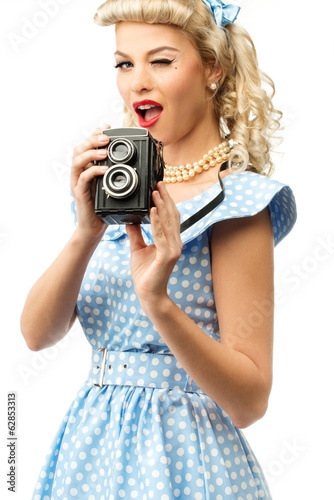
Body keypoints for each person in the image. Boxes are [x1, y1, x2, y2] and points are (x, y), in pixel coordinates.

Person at [21, 0, 297, 498]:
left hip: (185, 459)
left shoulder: (238, 205)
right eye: (125, 63)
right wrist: (85, 231)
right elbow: (36, 336)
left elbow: (250, 402)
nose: (137, 82)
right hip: (90, 453)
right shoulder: (115, 192)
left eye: (161, 61)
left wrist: (160, 302)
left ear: (213, 68)